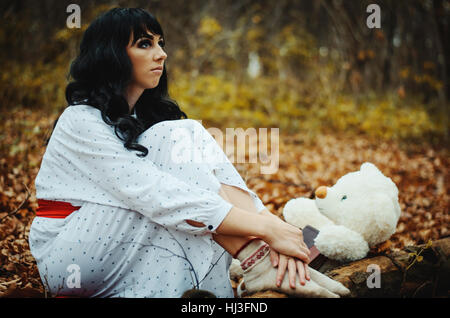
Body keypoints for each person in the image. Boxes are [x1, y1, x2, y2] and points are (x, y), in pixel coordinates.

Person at [28, 7, 314, 298]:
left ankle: (266, 258)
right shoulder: (80, 119)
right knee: (179, 176)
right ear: (110, 54)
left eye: (160, 43)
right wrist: (264, 227)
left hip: (116, 238)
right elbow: (156, 193)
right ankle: (259, 257)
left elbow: (213, 183)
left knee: (187, 138)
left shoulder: (142, 118)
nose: (161, 54)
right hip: (71, 256)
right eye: (144, 44)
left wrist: (271, 228)